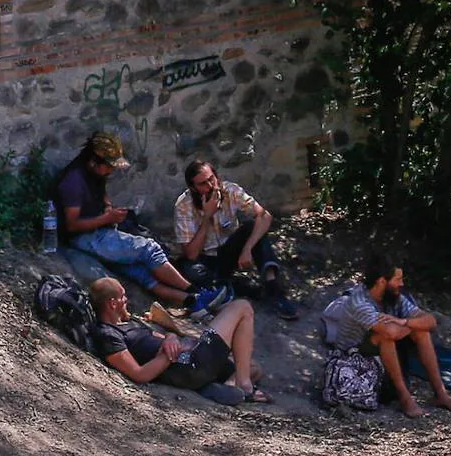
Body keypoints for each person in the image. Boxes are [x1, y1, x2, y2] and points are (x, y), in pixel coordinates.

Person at [55, 132, 228, 316]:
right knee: (149, 249)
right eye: (109, 166)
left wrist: (108, 209)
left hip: (97, 231)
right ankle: (198, 291)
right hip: (84, 237)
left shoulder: (95, 174)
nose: (111, 170)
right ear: (94, 161)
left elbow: (102, 197)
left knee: (141, 272)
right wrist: (107, 219)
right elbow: (71, 225)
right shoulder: (73, 182)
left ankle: (193, 302)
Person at [89, 275, 272, 403]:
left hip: (191, 357)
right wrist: (168, 355)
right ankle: (244, 389)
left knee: (252, 367)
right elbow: (139, 374)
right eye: (123, 296)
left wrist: (172, 338)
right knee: (242, 307)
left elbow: (162, 336)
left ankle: (225, 386)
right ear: (113, 303)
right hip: (186, 365)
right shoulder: (109, 334)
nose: (126, 299)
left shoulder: (130, 323)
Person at [322, 254, 451, 418]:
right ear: (382, 281)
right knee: (387, 336)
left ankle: (440, 393)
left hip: (383, 354)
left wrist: (404, 322)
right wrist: (409, 324)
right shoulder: (359, 303)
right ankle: (405, 399)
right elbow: (390, 332)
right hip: (355, 360)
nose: (402, 284)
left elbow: (430, 321)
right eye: (398, 279)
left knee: (421, 331)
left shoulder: (393, 297)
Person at [172, 159, 300, 320]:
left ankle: (273, 288)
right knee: (188, 269)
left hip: (229, 252)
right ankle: (232, 286)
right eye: (203, 184)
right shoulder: (184, 205)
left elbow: (264, 216)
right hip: (205, 259)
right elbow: (191, 254)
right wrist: (207, 216)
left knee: (253, 227)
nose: (210, 186)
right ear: (193, 188)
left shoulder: (231, 191)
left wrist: (247, 249)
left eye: (212, 179)